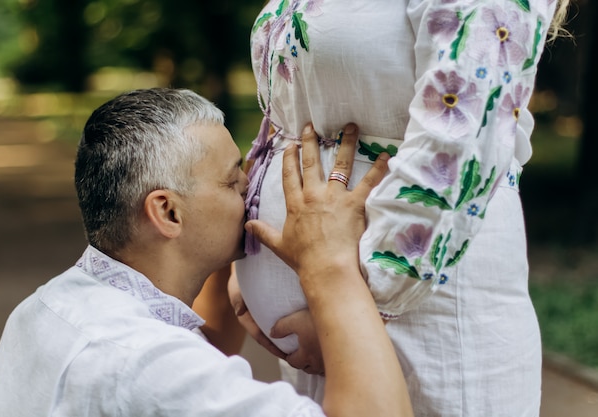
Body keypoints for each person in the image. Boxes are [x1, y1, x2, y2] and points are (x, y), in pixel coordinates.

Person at [0, 88, 413, 417]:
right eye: (231, 182)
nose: (252, 190)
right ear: (167, 212)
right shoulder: (143, 366)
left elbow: (202, 352)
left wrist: (229, 260)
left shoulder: (48, 306)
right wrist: (329, 267)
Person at [233, 0, 571, 415]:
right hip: (321, 309)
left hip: (419, 308)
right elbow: (289, 113)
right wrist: (247, 241)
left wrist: (353, 310)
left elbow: (460, 138)